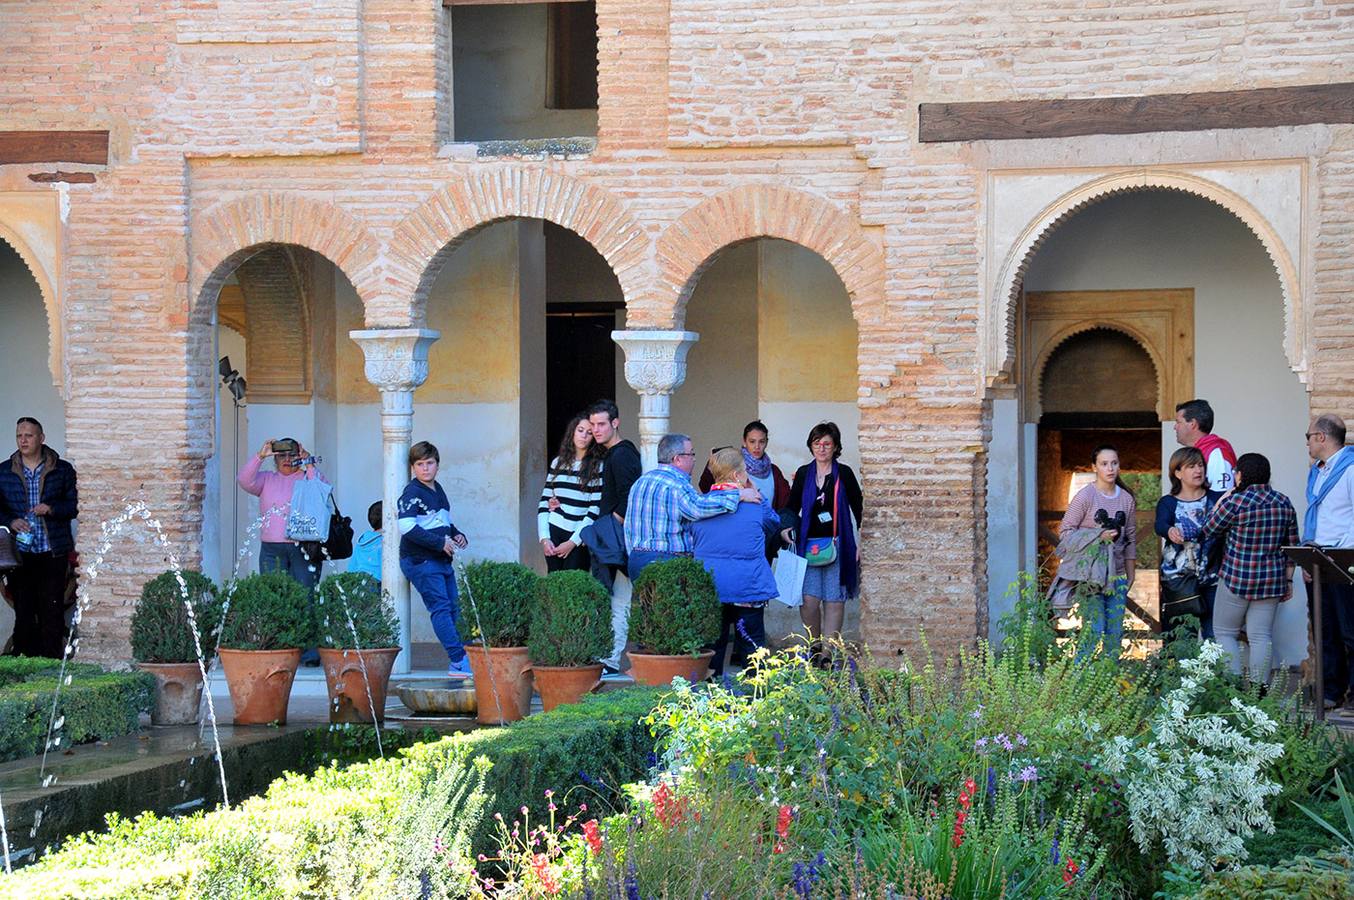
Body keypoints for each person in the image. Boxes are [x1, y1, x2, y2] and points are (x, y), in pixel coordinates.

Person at [1198, 452, 1298, 684]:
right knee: (1261, 636)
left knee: (1225, 633)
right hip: (1272, 580)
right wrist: (1289, 580)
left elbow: (1208, 530)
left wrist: (1224, 498)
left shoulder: (1235, 502)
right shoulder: (1283, 502)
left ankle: (1233, 686)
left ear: (1240, 475)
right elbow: (1293, 546)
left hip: (1236, 578)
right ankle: (1259, 690)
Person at [692, 448, 782, 677]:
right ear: (736, 475)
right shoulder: (755, 505)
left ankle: (711, 701)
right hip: (747, 587)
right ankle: (756, 700)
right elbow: (773, 525)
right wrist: (754, 491)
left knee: (712, 649)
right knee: (752, 649)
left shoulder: (701, 505)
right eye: (744, 471)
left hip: (712, 587)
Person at [624, 433, 755, 581]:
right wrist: (738, 495)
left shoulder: (641, 482)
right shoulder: (676, 484)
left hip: (636, 560)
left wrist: (635, 555)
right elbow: (697, 508)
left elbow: (628, 526)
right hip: (667, 562)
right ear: (677, 459)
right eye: (691, 454)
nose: (694, 459)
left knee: (644, 604)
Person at [781, 422, 863, 654]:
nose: (822, 448)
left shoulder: (844, 473)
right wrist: (786, 528)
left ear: (835, 446)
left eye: (827, 444)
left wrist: (862, 543)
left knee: (834, 600)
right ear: (811, 446)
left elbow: (859, 509)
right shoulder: (804, 473)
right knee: (809, 601)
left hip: (839, 543)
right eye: (817, 443)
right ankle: (813, 647)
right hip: (808, 546)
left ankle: (828, 654)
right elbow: (791, 506)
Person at [0, 417, 77, 659]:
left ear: (41, 438)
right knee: (23, 611)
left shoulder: (62, 469)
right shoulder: (4, 471)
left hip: (52, 550)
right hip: (19, 554)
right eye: (19, 436)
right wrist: (11, 521)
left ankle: (51, 665)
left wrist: (51, 509)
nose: (23, 440)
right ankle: (23, 665)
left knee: (51, 610)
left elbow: (75, 506)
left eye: (29, 435)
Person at [397, 441, 471, 678]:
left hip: (440, 560)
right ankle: (459, 661)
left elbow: (441, 521)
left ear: (437, 465)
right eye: (420, 464)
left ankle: (463, 657)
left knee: (454, 608)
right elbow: (406, 527)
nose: (425, 468)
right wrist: (440, 543)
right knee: (440, 608)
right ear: (412, 467)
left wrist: (456, 534)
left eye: (429, 463)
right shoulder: (412, 492)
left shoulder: (437, 488)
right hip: (420, 560)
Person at [1057, 445, 1136, 661]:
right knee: (1094, 630)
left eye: (1114, 463)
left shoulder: (1127, 499)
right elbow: (1065, 532)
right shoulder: (1086, 496)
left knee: (1114, 633)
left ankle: (1109, 684)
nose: (1110, 468)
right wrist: (1096, 536)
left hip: (1117, 575)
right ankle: (1081, 681)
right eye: (1104, 464)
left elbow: (1130, 537)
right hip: (1090, 575)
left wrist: (1131, 574)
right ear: (1094, 467)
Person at [582, 399, 643, 673]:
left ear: (615, 423)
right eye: (593, 424)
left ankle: (610, 659)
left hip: (617, 541)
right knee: (613, 597)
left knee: (619, 598)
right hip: (613, 538)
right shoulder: (613, 453)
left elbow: (628, 498)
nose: (596, 429)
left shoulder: (622, 454)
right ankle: (607, 657)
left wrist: (609, 527)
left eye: (601, 424)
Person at [1303, 413, 1354, 710]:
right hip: (1318, 556)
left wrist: (1343, 554)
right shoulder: (1317, 472)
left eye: (1308, 436)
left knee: (1350, 630)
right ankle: (1332, 691)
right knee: (1325, 629)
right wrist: (1310, 555)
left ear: (1321, 437)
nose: (1307, 442)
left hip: (1344, 559)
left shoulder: (1349, 469)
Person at [237, 437, 329, 590]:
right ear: (275, 458)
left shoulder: (307, 477)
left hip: (304, 546)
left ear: (298, 456)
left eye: (292, 455)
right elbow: (243, 479)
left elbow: (321, 490)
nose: (287, 459)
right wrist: (260, 456)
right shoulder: (266, 478)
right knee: (274, 596)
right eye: (281, 455)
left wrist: (309, 462)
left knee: (305, 595)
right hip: (271, 549)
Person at [1154, 446, 1224, 641]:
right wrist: (1169, 530)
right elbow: (1160, 524)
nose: (1198, 470)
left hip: (1212, 577)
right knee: (1181, 639)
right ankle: (1179, 673)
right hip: (1179, 580)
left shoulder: (1217, 498)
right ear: (1177, 473)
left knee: (1213, 636)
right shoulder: (1168, 502)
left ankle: (1214, 673)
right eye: (1191, 466)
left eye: (1200, 465)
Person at [699, 420, 792, 561]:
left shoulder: (774, 471)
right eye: (752, 441)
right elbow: (707, 488)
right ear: (744, 442)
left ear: (767, 442)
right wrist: (712, 464)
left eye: (761, 442)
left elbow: (784, 504)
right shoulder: (731, 467)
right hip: (737, 531)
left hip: (766, 533)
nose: (757, 446)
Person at [538, 415, 604, 573]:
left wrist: (573, 542)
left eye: (589, 433)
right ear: (572, 432)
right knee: (554, 581)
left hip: (579, 534)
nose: (584, 435)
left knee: (574, 582)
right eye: (580, 430)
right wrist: (544, 538)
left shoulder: (598, 466)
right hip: (554, 529)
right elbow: (544, 502)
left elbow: (594, 509)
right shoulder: (558, 462)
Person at [1174, 399, 1237, 494]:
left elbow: (1222, 498)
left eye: (1178, 422)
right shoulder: (1200, 451)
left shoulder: (1216, 454)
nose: (1175, 427)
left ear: (1192, 424)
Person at [347, 501, 383, 585]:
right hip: (376, 582)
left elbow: (351, 567)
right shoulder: (386, 542)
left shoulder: (363, 540)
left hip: (357, 581)